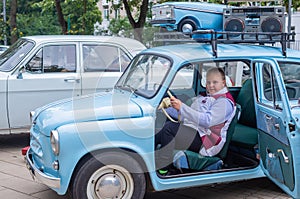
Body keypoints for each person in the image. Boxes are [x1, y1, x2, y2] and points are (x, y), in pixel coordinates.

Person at [155, 67, 236, 175]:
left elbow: (207, 121)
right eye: (208, 82)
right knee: (157, 131)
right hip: (195, 131)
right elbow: (188, 117)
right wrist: (168, 108)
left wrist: (182, 107)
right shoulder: (207, 97)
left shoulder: (224, 102)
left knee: (169, 129)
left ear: (223, 82)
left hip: (207, 141)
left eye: (215, 82)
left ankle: (164, 169)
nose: (211, 85)